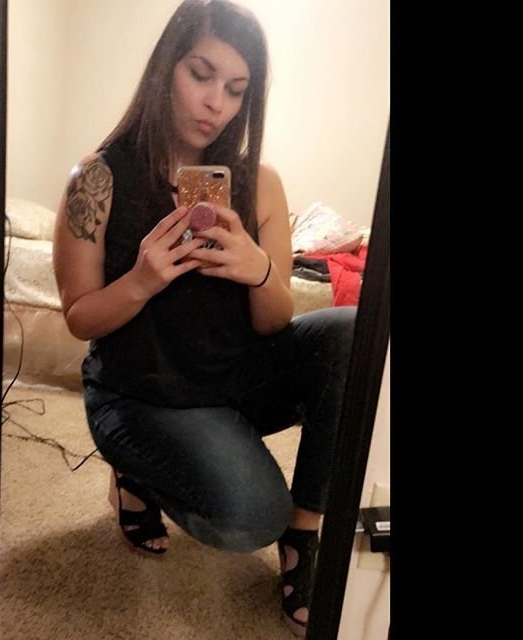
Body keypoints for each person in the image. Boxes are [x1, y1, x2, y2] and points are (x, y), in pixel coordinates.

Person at [53, 0, 356, 636]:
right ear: (165, 67)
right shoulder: (97, 179)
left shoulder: (261, 185)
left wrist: (258, 270)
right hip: (142, 394)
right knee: (248, 517)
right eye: (201, 74)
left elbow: (273, 324)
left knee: (347, 330)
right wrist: (141, 280)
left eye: (237, 89)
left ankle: (303, 534)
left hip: (231, 380)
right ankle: (135, 472)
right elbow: (81, 318)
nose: (216, 103)